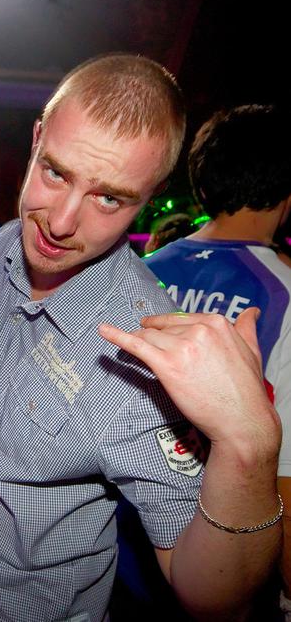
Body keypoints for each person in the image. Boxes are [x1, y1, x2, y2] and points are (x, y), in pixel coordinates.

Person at [0, 55, 281, 622]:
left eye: (109, 197)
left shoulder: (141, 356)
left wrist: (249, 447)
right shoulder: (11, 240)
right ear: (37, 139)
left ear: (151, 194)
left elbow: (213, 598)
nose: (60, 222)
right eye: (55, 172)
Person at [144, 104, 291, 617]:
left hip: (133, 545)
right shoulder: (282, 292)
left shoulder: (140, 270)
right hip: (227, 557)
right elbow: (284, 471)